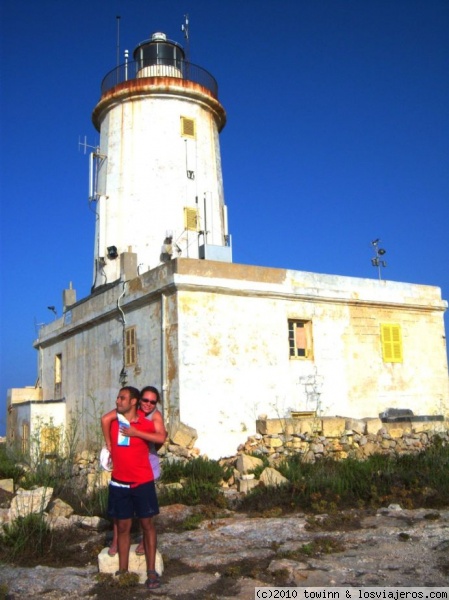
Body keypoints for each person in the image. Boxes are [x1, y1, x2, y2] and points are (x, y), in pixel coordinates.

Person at [102, 386, 166, 589]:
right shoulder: (114, 422)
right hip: (119, 483)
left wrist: (136, 431)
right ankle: (123, 571)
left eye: (122, 398)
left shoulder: (147, 424)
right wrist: (109, 446)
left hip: (142, 483)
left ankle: (151, 572)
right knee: (122, 528)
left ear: (132, 402)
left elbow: (160, 438)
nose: (117, 401)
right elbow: (104, 420)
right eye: (117, 397)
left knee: (147, 525)